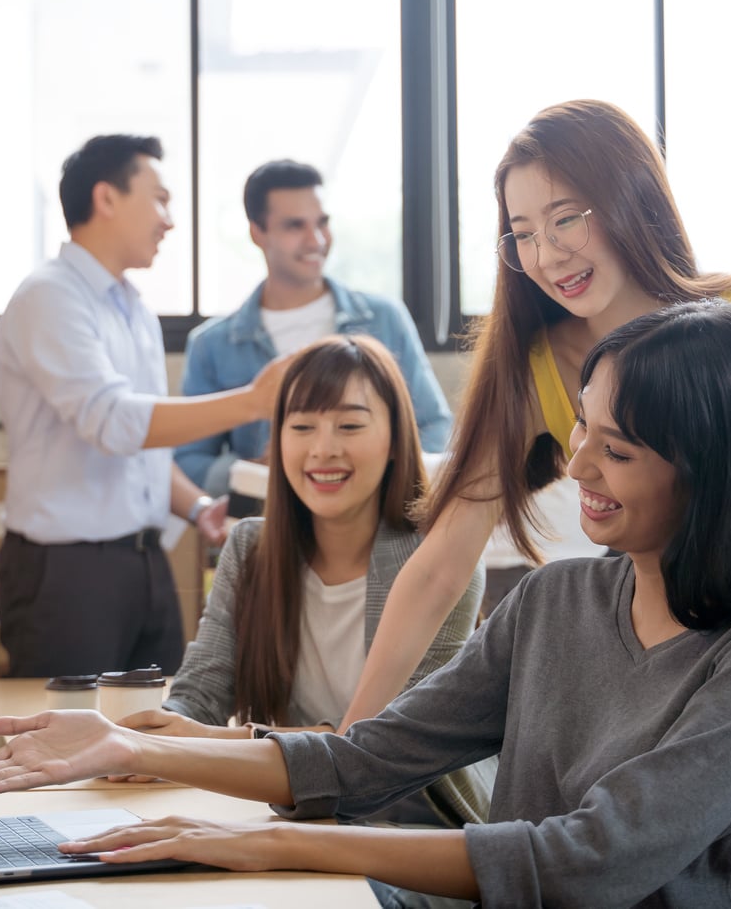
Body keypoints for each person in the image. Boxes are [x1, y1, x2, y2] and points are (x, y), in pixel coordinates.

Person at [0, 302, 731, 908]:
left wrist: (275, 847)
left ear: (713, 465)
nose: (576, 471)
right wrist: (130, 744)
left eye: (619, 451)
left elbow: (592, 861)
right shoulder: (557, 599)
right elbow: (368, 755)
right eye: (581, 436)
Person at [334, 99, 731, 908]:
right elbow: (437, 568)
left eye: (567, 217)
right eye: (523, 232)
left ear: (634, 197)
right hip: (662, 687)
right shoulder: (537, 362)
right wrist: (351, 753)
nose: (546, 252)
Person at [120, 334, 489, 825]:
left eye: (351, 425)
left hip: (413, 821)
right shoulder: (250, 548)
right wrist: (152, 734)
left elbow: (385, 744)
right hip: (304, 814)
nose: (323, 449)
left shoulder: (442, 562)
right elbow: (201, 696)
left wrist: (223, 741)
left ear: (397, 440)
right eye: (302, 426)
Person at [0, 134, 292, 679]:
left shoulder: (134, 310)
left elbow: (138, 448)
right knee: (67, 750)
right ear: (106, 198)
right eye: (159, 199)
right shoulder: (49, 296)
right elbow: (114, 422)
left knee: (154, 737)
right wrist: (253, 401)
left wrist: (198, 509)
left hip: (146, 564)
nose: (169, 221)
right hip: (67, 574)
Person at [177, 160, 452, 495]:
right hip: (270, 527)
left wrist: (379, 477)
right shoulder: (213, 344)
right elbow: (191, 460)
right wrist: (257, 474)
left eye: (322, 222)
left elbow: (433, 424)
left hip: (379, 523)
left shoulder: (383, 319)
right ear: (257, 232)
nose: (316, 239)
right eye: (295, 226)